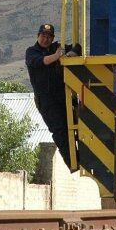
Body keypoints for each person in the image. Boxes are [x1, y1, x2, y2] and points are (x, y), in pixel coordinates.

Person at [25, 24, 77, 166]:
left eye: (49, 36)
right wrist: (57, 56)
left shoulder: (57, 47)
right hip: (47, 100)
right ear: (38, 36)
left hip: (63, 96)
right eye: (43, 36)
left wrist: (72, 53)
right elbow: (42, 61)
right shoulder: (31, 52)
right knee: (60, 131)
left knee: (76, 125)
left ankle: (82, 157)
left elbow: (77, 47)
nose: (46, 39)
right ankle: (72, 163)